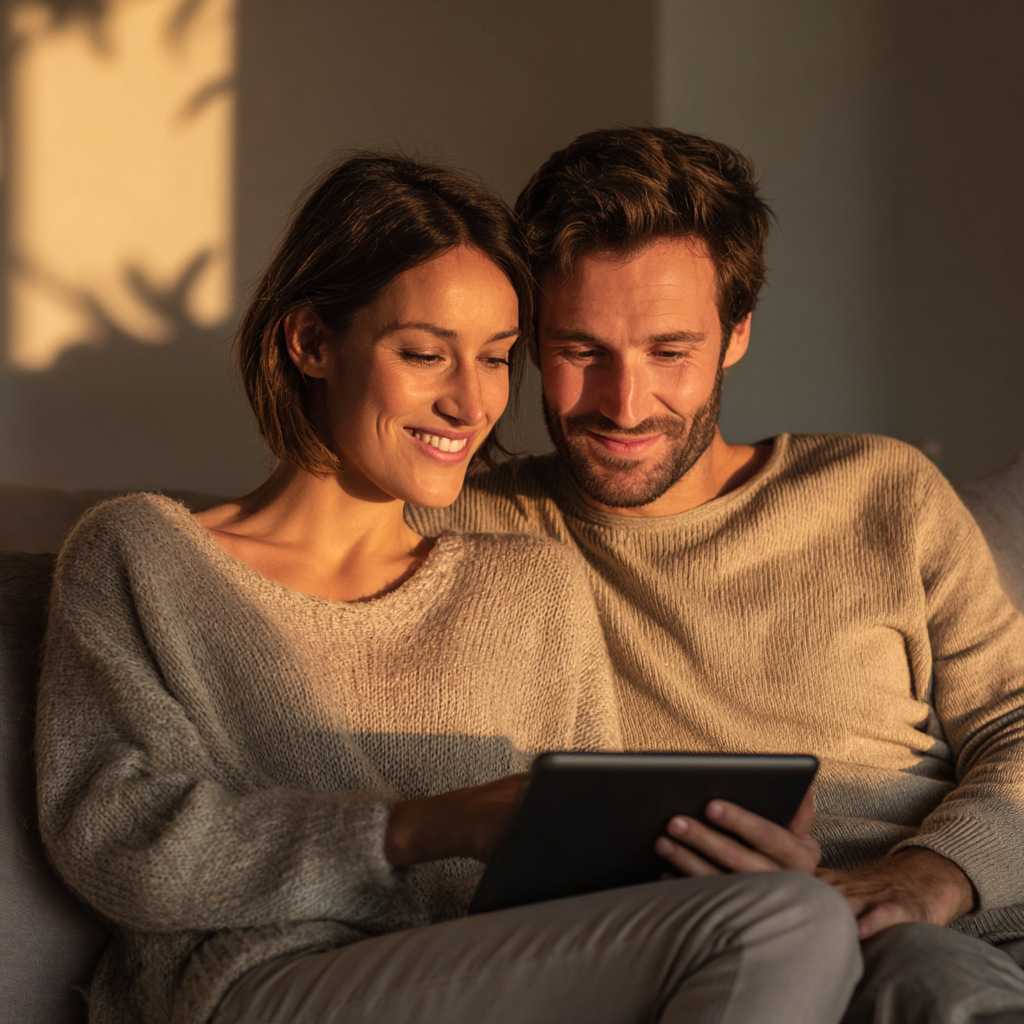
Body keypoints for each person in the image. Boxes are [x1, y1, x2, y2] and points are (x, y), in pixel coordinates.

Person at [35, 155, 861, 1024]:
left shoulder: (529, 585)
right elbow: (116, 838)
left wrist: (711, 856)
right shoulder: (145, 556)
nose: (472, 403)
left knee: (793, 911)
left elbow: (587, 883)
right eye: (426, 354)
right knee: (783, 926)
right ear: (311, 340)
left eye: (499, 359)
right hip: (257, 984)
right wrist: (422, 828)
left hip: (501, 984)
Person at [406, 128, 1024, 1023]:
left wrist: (936, 875)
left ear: (736, 335)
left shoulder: (879, 492)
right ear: (531, 339)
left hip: (951, 929)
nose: (624, 406)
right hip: (709, 948)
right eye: (582, 351)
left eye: (669, 352)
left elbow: (1016, 722)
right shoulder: (464, 522)